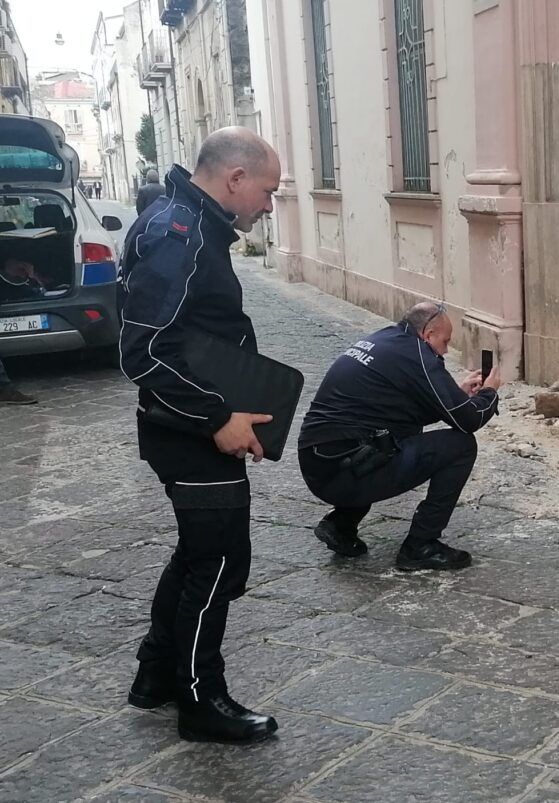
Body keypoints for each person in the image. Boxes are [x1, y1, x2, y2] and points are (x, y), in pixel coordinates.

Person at [118, 127, 281, 744]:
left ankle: (156, 675)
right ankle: (199, 699)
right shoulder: (177, 233)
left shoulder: (190, 223)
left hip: (189, 426)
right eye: (267, 190)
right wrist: (219, 417)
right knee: (218, 560)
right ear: (235, 179)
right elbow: (143, 352)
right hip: (188, 432)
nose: (268, 205)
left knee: (197, 554)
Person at [298, 302, 502, 569]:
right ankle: (421, 544)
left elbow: (404, 411)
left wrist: (458, 393)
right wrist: (490, 393)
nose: (446, 350)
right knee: (460, 445)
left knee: (391, 436)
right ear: (428, 335)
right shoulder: (419, 356)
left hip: (321, 462)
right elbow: (469, 420)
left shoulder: (386, 339)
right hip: (344, 470)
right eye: (445, 341)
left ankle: (341, 524)